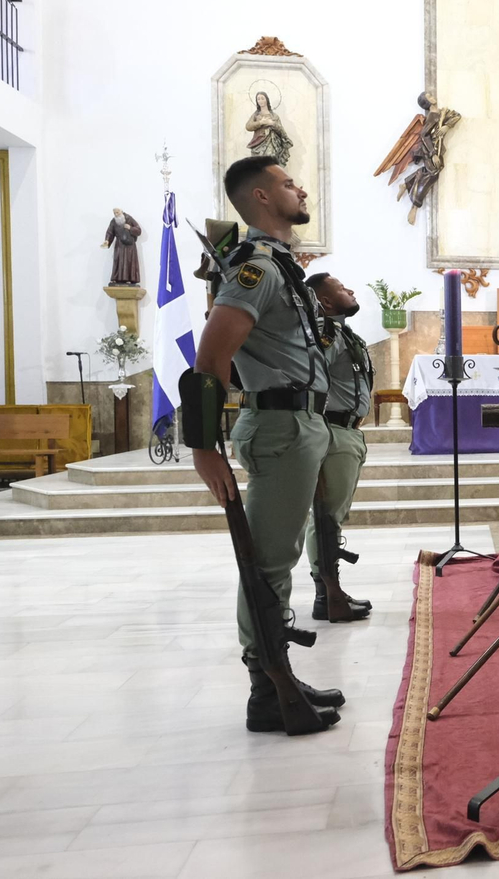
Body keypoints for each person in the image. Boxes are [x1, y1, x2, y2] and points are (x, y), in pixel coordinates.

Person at [187, 155, 341, 734]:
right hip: (281, 427)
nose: (300, 188)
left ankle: (277, 676)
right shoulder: (255, 267)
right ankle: (265, 687)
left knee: (278, 557)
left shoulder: (279, 264)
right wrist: (204, 447)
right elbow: (211, 356)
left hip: (297, 424)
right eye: (286, 183)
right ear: (258, 198)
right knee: (269, 562)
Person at [303, 273, 374, 623]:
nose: (351, 289)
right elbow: (311, 379)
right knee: (325, 517)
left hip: (345, 432)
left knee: (331, 516)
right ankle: (326, 594)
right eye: (343, 288)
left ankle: (329, 591)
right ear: (326, 302)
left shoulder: (343, 332)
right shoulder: (325, 332)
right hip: (332, 431)